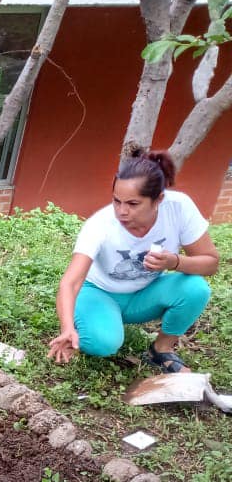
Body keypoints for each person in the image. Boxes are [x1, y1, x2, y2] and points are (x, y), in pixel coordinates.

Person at [48, 149, 219, 373]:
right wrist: (67, 327)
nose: (122, 211)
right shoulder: (100, 224)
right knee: (103, 344)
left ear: (158, 199)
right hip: (99, 292)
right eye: (116, 201)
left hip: (145, 294)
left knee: (195, 288)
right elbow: (69, 283)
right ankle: (91, 326)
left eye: (133, 204)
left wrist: (174, 262)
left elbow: (211, 262)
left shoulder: (179, 208)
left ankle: (161, 350)